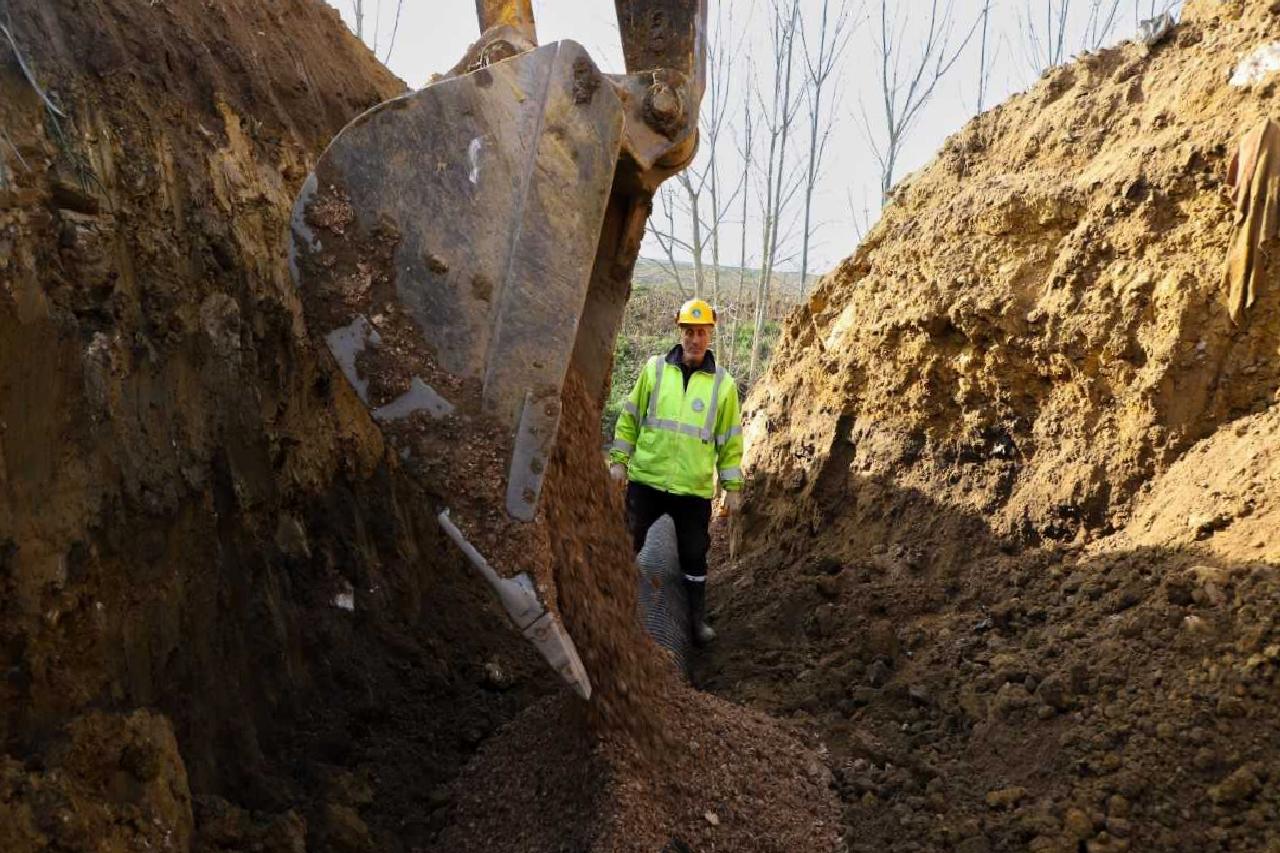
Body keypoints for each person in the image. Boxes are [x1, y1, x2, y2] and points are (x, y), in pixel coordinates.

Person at [608, 298, 744, 645]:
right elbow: (630, 418)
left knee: (695, 557)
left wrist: (732, 486)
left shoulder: (723, 386)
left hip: (692, 490)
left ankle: (696, 622)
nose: (695, 339)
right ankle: (611, 608)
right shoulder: (654, 370)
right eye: (688, 331)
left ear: (710, 334)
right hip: (647, 481)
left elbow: (729, 440)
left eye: (701, 332)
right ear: (679, 331)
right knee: (625, 543)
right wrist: (619, 462)